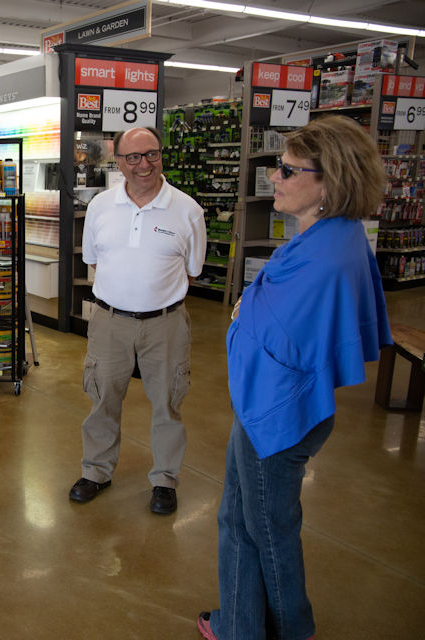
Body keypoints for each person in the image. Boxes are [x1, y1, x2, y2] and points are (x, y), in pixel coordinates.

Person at [196, 116, 391, 640]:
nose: (274, 179)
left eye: (286, 170)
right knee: (238, 521)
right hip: (273, 407)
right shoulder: (336, 236)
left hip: (277, 415)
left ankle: (292, 630)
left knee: (268, 532)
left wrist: (244, 311)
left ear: (328, 181)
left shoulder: (323, 259)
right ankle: (239, 623)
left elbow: (273, 333)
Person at [69, 126, 206, 514]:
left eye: (152, 154)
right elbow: (94, 260)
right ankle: (96, 470)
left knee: (167, 403)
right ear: (118, 162)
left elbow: (191, 270)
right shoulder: (100, 206)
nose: (144, 164)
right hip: (110, 320)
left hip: (166, 323)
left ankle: (165, 479)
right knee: (102, 399)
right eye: (133, 157)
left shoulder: (187, 210)